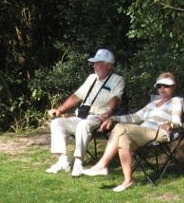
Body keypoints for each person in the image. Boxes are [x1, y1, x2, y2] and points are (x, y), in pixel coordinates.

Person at [81, 72, 184, 192]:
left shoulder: (175, 101)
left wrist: (170, 124)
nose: (162, 88)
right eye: (159, 86)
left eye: (166, 86)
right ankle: (127, 180)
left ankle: (102, 165)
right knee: (123, 138)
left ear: (174, 87)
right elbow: (134, 117)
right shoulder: (153, 104)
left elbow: (178, 122)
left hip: (160, 132)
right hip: (145, 133)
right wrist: (113, 118)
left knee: (120, 127)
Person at [46, 49, 126, 177]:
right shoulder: (91, 78)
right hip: (82, 116)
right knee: (57, 123)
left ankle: (78, 162)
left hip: (99, 117)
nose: (94, 65)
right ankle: (62, 162)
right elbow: (76, 96)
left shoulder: (117, 80)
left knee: (83, 125)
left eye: (97, 63)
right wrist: (60, 110)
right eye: (94, 63)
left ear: (108, 65)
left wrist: (108, 112)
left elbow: (116, 98)